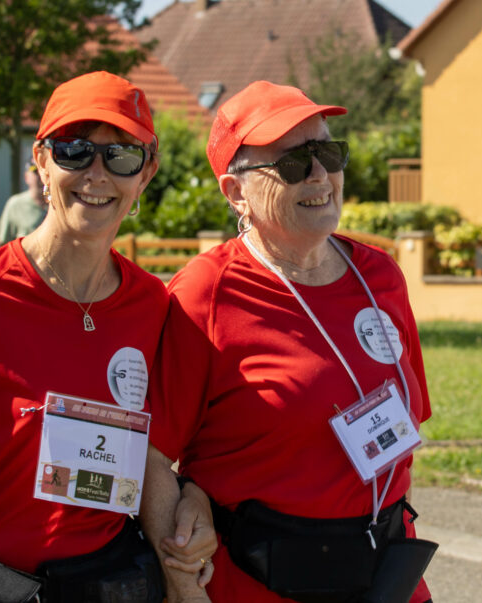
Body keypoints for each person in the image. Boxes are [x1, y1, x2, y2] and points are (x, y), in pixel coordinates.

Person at [144, 80, 437, 602]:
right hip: (261, 583)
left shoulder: (380, 276)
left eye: (327, 151)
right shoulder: (205, 293)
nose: (321, 174)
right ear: (236, 192)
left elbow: (403, 441)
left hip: (387, 577)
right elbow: (149, 454)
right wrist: (185, 583)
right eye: (293, 162)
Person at [0, 71, 216, 602]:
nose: (97, 174)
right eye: (75, 152)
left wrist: (196, 504)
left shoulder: (152, 305)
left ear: (147, 173)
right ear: (41, 161)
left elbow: (151, 453)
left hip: (107, 582)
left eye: (121, 156)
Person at [0, 159, 47, 253]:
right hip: (25, 264)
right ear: (26, 177)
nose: (41, 177)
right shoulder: (16, 204)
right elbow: (0, 241)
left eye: (44, 172)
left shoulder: (61, 202)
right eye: (36, 172)